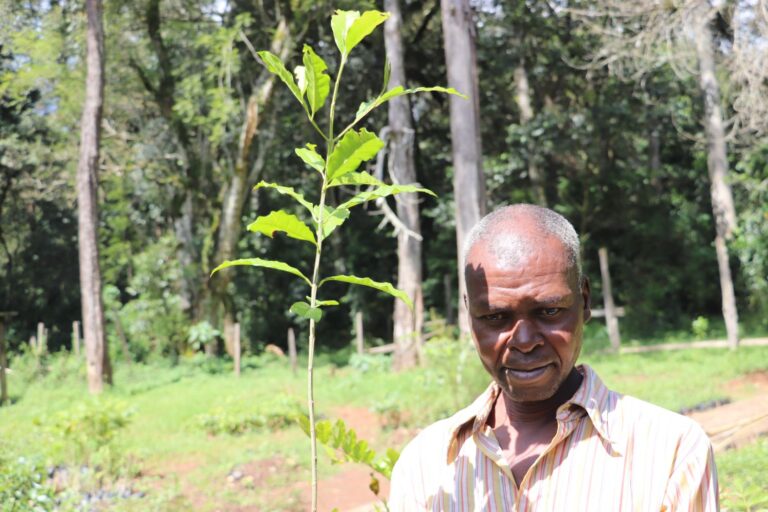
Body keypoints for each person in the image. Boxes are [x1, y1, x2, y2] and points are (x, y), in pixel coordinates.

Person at [389, 204, 718, 511]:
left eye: (549, 312)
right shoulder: (425, 464)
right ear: (469, 314)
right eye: (495, 317)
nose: (524, 342)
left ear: (584, 301)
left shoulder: (669, 451)